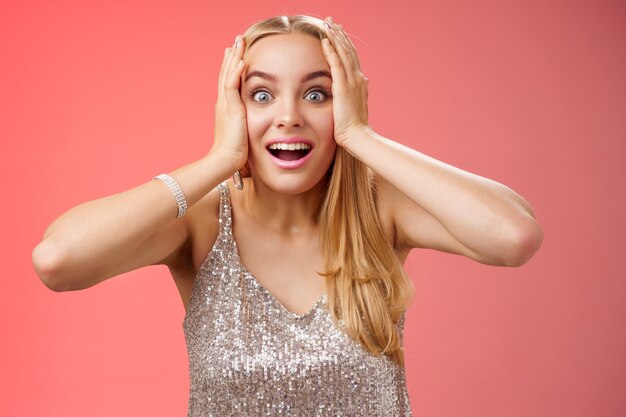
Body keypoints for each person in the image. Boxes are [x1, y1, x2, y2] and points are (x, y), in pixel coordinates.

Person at [32, 14, 543, 416]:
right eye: (261, 94)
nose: (289, 115)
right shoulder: (203, 224)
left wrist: (361, 138)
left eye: (317, 93)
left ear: (346, 103)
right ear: (234, 108)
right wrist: (218, 161)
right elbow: (58, 259)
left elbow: (514, 235)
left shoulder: (379, 210)